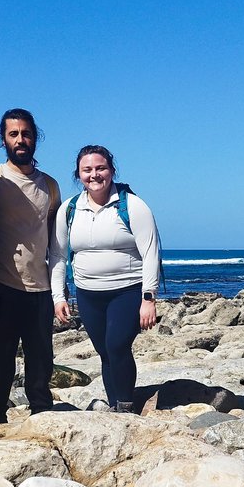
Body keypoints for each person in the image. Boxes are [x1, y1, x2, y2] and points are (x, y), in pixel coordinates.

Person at [53, 145, 161, 413]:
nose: (94, 175)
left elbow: (151, 252)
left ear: (111, 170)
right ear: (78, 175)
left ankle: (125, 406)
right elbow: (57, 255)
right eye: (87, 170)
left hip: (127, 291)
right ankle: (115, 405)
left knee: (117, 345)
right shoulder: (70, 209)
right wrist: (58, 296)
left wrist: (149, 297)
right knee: (104, 351)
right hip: (88, 293)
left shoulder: (132, 205)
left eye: (100, 168)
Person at [0, 108, 62, 423]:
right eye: (14, 134)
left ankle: (42, 415)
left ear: (35, 138)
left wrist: (59, 290)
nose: (20, 139)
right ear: (3, 139)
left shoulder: (51, 186)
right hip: (3, 287)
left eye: (26, 133)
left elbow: (55, 242)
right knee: (1, 360)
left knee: (42, 360)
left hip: (40, 287)